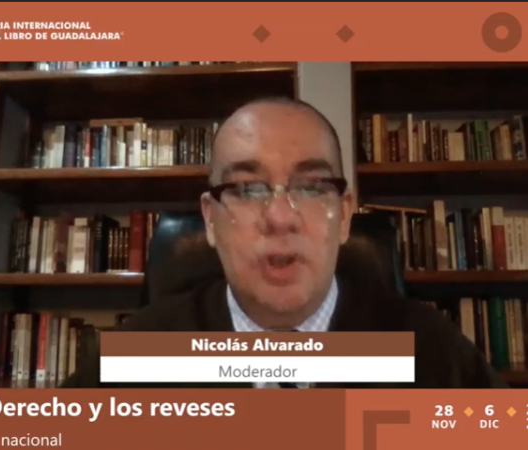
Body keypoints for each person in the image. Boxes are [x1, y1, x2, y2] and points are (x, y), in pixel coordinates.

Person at [61, 97, 508, 389]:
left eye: (311, 187)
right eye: (247, 188)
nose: (279, 217)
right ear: (211, 220)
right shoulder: (131, 359)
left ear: (345, 214)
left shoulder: (432, 352)